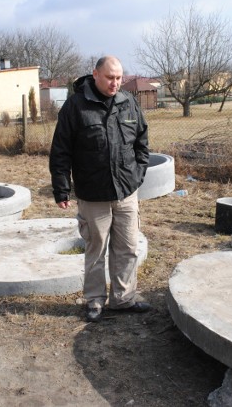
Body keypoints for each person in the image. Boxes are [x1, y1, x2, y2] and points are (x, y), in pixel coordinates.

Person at [49, 56, 150, 323]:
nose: (115, 83)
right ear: (95, 74)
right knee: (96, 249)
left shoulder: (128, 103)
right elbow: (61, 150)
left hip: (126, 191)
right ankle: (94, 301)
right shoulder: (76, 106)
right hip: (93, 194)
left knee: (127, 247)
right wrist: (62, 188)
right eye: (109, 77)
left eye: (119, 78)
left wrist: (137, 175)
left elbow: (142, 142)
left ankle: (124, 298)